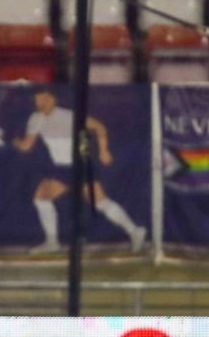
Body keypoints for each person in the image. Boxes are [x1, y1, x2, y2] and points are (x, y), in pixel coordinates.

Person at [13, 88, 146, 253]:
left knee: (100, 202)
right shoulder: (35, 119)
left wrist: (104, 151)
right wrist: (17, 142)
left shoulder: (69, 116)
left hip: (80, 166)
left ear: (53, 100)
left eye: (44, 99)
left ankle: (135, 231)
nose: (40, 103)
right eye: (37, 99)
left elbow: (99, 127)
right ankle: (52, 242)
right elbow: (27, 146)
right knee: (41, 197)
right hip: (61, 168)